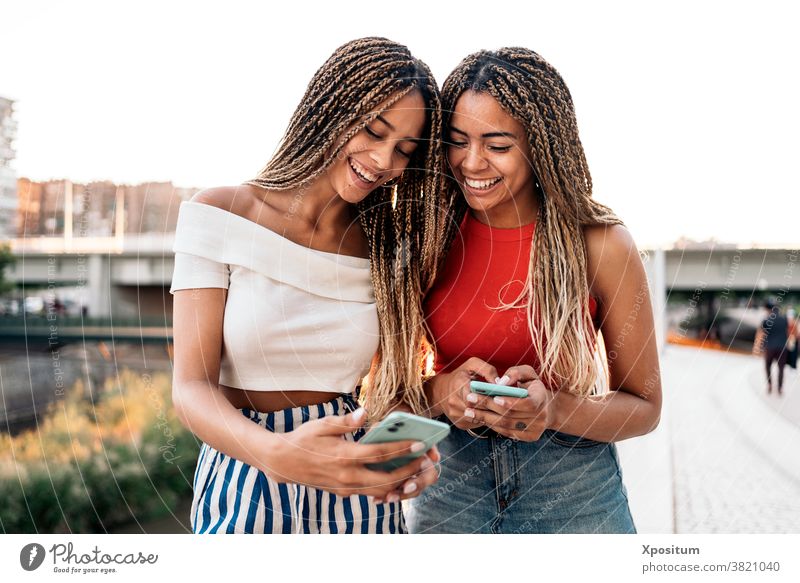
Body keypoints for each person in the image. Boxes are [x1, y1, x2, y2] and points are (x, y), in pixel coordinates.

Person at [169, 37, 450, 534]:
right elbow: (191, 388)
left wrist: (409, 454)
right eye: (373, 131)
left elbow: (391, 390)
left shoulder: (386, 250)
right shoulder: (220, 214)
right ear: (329, 110)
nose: (384, 161)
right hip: (248, 472)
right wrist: (282, 456)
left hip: (356, 483)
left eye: (404, 150)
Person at [403, 48, 662, 534]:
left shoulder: (601, 245)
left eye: (497, 144)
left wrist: (554, 408)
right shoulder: (428, 240)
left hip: (572, 486)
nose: (471, 162)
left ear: (539, 144)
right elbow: (380, 389)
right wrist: (441, 390)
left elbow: (645, 408)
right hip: (452, 481)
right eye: (457, 141)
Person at [754, 300, 789, 395]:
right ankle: (780, 388)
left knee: (767, 366)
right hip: (782, 347)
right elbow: (787, 332)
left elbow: (761, 334)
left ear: (768, 309)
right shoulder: (784, 319)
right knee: (781, 368)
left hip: (770, 347)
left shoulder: (766, 320)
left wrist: (758, 347)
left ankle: (769, 385)